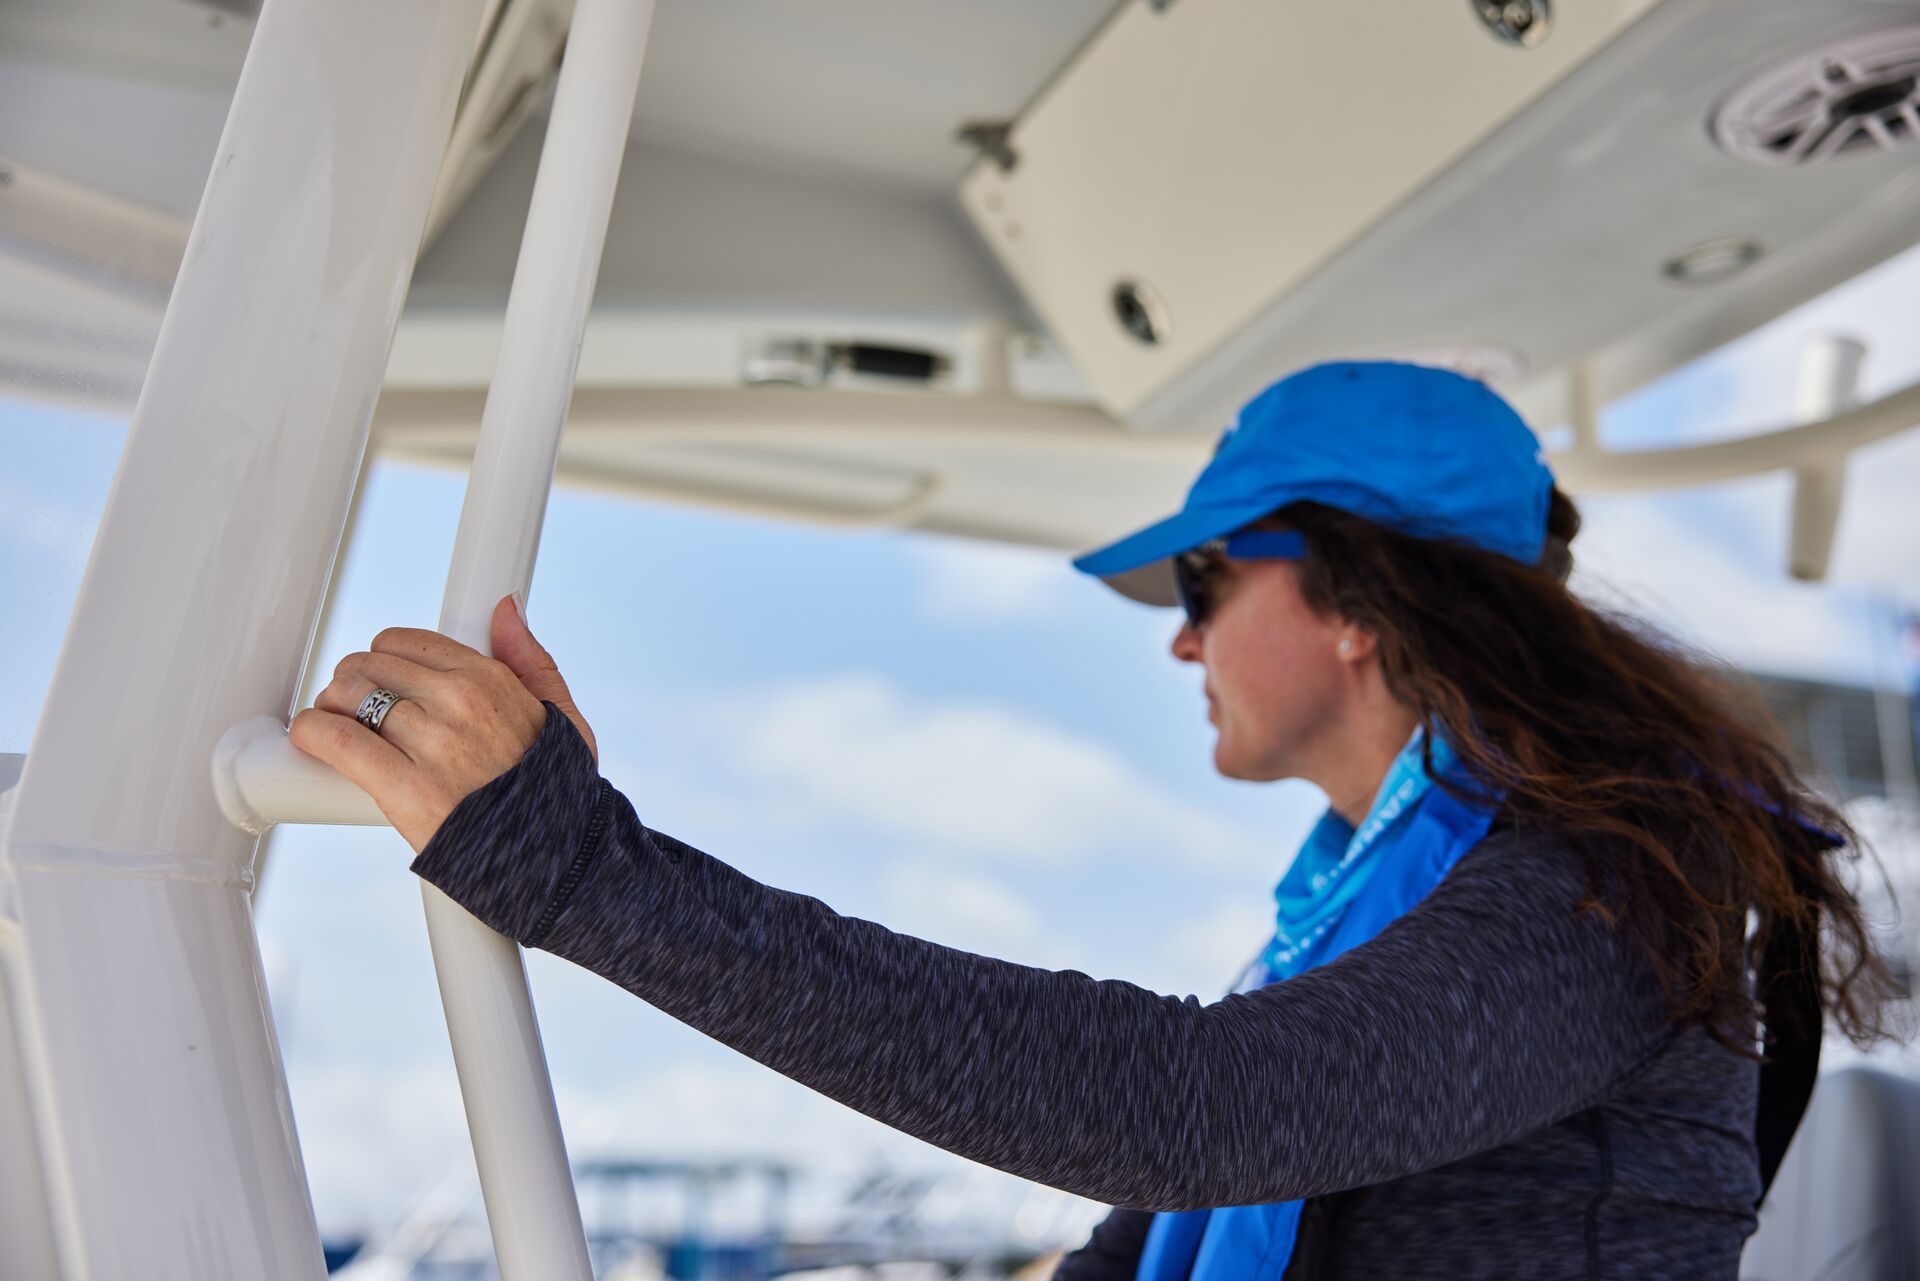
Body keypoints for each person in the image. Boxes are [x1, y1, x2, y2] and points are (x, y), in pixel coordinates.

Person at [292, 360, 1895, 1279]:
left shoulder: (1607, 884)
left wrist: (578, 864)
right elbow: (1157, 1223)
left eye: (1206, 580)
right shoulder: (1372, 903)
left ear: (1355, 595)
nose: (1182, 637)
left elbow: (1191, 1105)